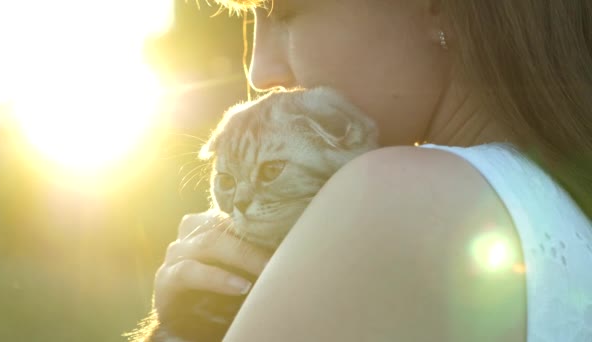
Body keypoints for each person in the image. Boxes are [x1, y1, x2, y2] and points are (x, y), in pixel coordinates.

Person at [146, 0, 592, 341]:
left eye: (286, 14)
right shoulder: (562, 203)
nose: (259, 71)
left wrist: (180, 327)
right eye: (249, 23)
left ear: (434, 6)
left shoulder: (391, 195)